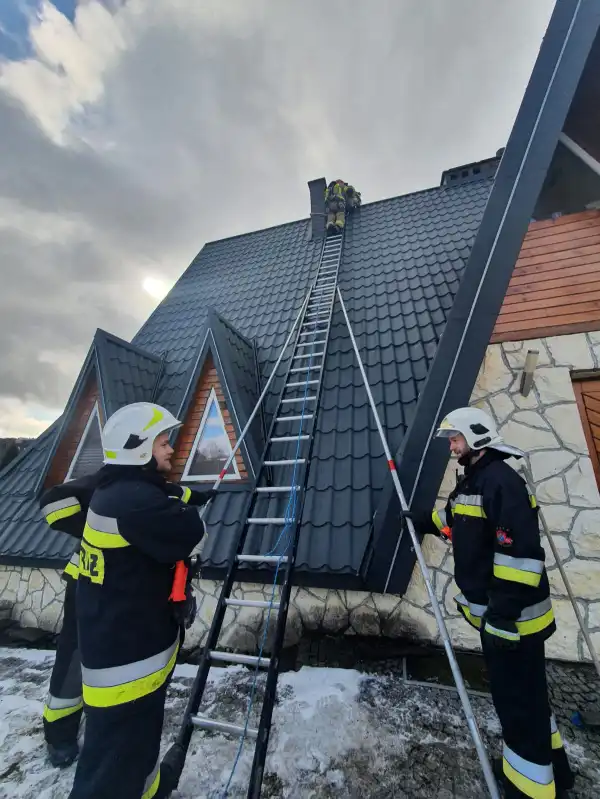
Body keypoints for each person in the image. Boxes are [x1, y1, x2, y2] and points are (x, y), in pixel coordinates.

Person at [418, 406, 574, 798]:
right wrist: (423, 521)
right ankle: (556, 771)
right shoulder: (475, 481)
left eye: (455, 439)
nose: (452, 447)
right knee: (531, 697)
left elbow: (520, 559)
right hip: (502, 620)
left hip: (514, 623)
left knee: (517, 705)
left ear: (477, 438)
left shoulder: (501, 483)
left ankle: (529, 790)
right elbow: (457, 519)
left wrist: (503, 615)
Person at [67, 402, 214, 799]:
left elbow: (160, 499)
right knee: (109, 771)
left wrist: (180, 496)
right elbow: (193, 534)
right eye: (163, 442)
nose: (170, 449)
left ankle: (148, 790)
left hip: (117, 648)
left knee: (134, 749)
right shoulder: (137, 503)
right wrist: (185, 510)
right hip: (128, 664)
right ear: (139, 449)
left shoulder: (114, 493)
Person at [39, 469, 201, 771]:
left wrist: (197, 497)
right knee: (75, 657)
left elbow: (174, 494)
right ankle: (60, 735)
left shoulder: (145, 487)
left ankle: (108, 726)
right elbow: (52, 502)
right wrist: (99, 530)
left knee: (111, 666)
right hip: (87, 583)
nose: (167, 451)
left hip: (119, 589)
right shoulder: (106, 482)